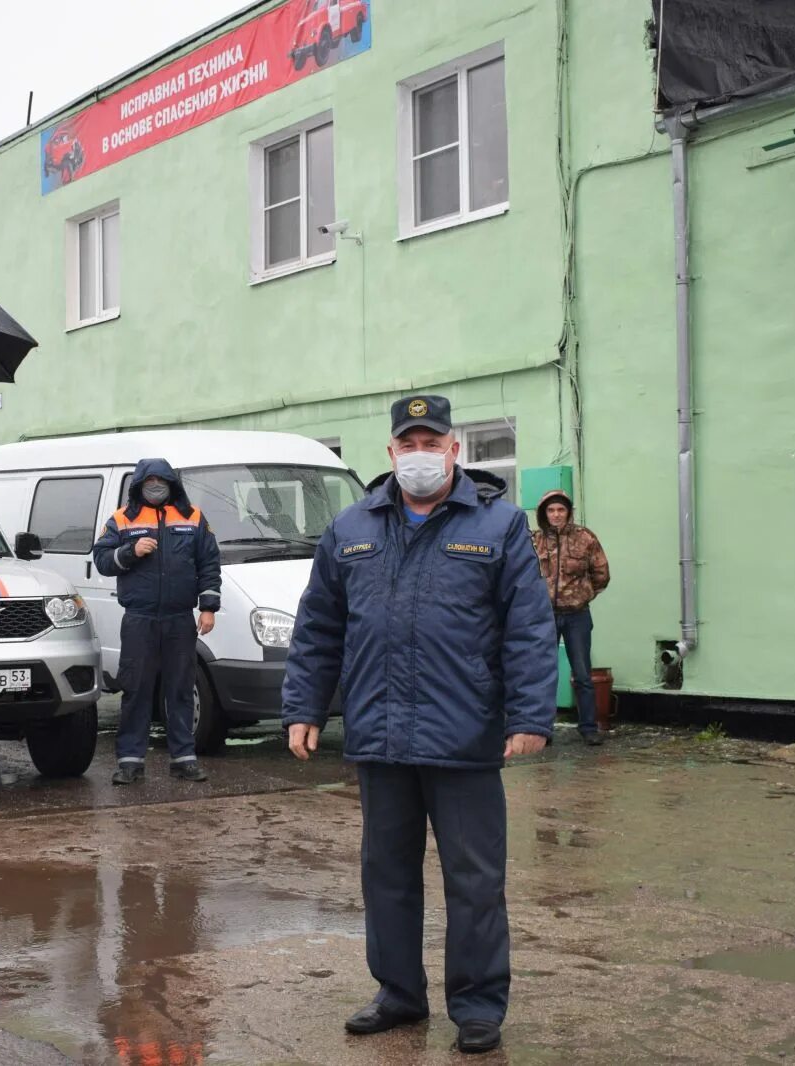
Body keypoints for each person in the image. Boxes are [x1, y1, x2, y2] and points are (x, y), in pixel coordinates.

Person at [281, 394, 556, 1055]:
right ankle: (399, 994)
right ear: (391, 453)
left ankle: (478, 1006)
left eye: (433, 442)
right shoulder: (351, 528)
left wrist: (530, 713)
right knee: (388, 875)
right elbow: (318, 627)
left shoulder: (499, 525)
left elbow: (528, 627)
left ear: (455, 449)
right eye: (410, 444)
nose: (421, 454)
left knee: (475, 881)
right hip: (382, 738)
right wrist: (303, 707)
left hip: (464, 736)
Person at [93, 459, 221, 784]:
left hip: (180, 619)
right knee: (136, 689)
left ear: (170, 483)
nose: (154, 485)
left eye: (159, 480)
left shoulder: (192, 517)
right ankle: (130, 762)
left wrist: (208, 608)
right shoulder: (123, 518)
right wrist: (130, 551)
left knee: (180, 689)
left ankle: (184, 759)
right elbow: (102, 560)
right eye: (148, 480)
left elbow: (209, 562)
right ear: (138, 484)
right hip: (140, 618)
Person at [532, 490, 611, 745]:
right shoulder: (535, 540)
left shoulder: (584, 538)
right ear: (544, 513)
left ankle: (588, 727)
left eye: (561, 510)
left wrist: (583, 595)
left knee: (582, 674)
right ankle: (544, 729)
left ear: (568, 512)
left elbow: (601, 574)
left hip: (577, 616)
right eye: (551, 510)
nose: (556, 515)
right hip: (545, 617)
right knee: (544, 673)